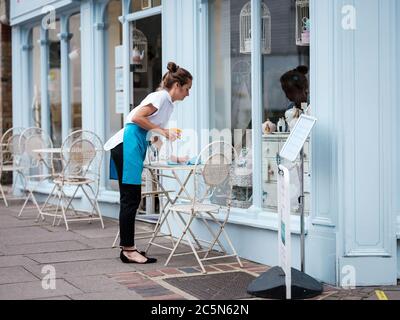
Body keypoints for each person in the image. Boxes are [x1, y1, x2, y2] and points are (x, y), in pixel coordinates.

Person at [104, 62, 193, 264]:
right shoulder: (160, 96)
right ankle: (128, 250)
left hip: (134, 145)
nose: (188, 94)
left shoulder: (168, 104)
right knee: (130, 198)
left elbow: (155, 138)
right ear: (177, 85)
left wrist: (173, 157)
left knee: (131, 198)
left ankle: (128, 248)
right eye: (187, 89)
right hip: (127, 144)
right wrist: (163, 131)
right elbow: (136, 117)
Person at [280, 65, 310, 131]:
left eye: (290, 91)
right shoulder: (290, 109)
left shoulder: (313, 106)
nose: (287, 95)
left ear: (303, 88)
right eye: (285, 91)